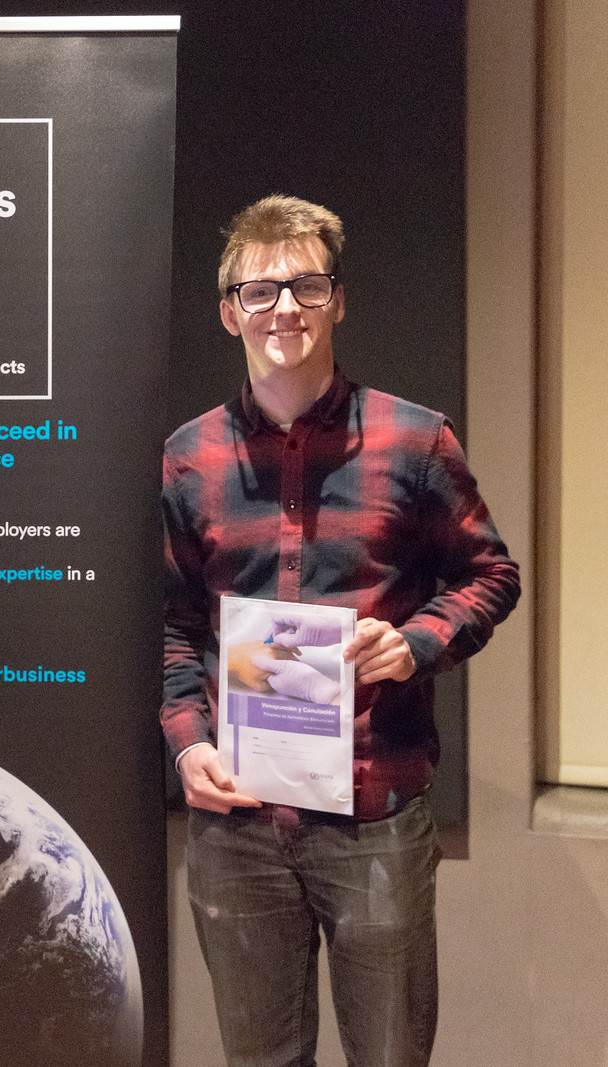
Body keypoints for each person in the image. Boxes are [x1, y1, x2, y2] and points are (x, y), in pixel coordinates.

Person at [161, 195, 520, 1067]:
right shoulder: (189, 456)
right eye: (260, 290)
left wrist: (416, 642)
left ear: (338, 300)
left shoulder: (415, 440)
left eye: (307, 286)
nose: (284, 307)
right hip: (239, 822)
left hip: (374, 812)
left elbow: (492, 575)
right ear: (230, 312)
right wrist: (187, 743)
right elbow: (176, 625)